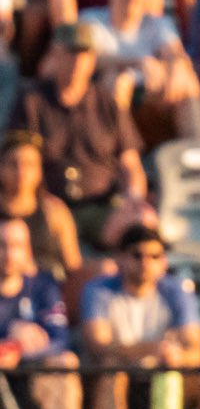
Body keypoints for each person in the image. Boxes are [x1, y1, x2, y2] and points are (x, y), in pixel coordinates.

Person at [77, 224, 200, 409]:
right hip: (118, 384)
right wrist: (153, 349)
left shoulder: (176, 292)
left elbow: (197, 350)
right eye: (137, 255)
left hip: (165, 385)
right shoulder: (99, 290)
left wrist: (176, 357)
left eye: (155, 256)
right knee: (112, 368)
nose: (146, 263)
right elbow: (98, 346)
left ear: (164, 261)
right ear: (120, 258)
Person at [9, 21, 153, 254]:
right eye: (71, 54)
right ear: (55, 54)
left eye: (84, 55)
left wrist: (132, 199)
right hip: (49, 207)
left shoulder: (107, 103)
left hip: (103, 208)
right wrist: (38, 199)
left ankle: (132, 285)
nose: (77, 62)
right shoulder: (31, 101)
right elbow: (19, 159)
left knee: (143, 222)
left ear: (93, 59)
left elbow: (130, 164)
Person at [82, 0, 200, 142]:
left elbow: (174, 53)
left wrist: (175, 70)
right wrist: (139, 62)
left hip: (152, 94)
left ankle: (197, 156)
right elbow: (86, 59)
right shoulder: (91, 20)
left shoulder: (158, 23)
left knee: (187, 80)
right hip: (100, 96)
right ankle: (121, 153)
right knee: (117, 81)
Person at [0, 216, 81, 409]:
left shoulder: (43, 286)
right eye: (1, 245)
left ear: (28, 251)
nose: (9, 254)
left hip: (31, 382)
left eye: (16, 245)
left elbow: (60, 340)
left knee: (64, 365)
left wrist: (20, 349)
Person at [0, 132, 83, 301]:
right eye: (13, 164)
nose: (21, 171)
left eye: (29, 164)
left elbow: (73, 267)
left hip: (45, 295)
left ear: (39, 171)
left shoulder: (54, 211)